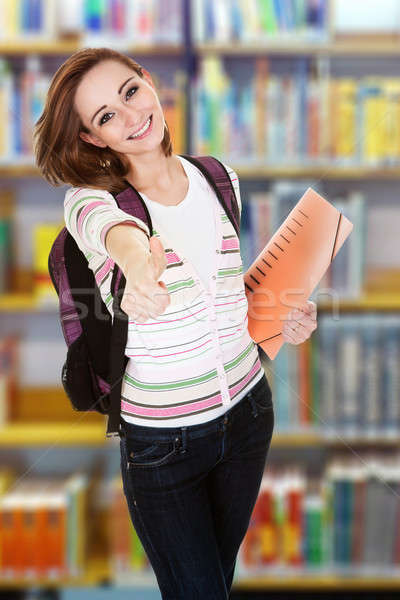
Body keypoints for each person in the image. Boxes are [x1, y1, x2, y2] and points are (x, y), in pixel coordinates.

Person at [34, 47, 317, 599]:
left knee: (216, 582)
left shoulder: (218, 178)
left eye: (130, 92)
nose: (131, 116)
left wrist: (285, 316)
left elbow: (227, 294)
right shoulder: (91, 202)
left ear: (148, 82)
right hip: (164, 443)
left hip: (249, 415)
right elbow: (113, 233)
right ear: (94, 139)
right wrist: (139, 266)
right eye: (106, 117)